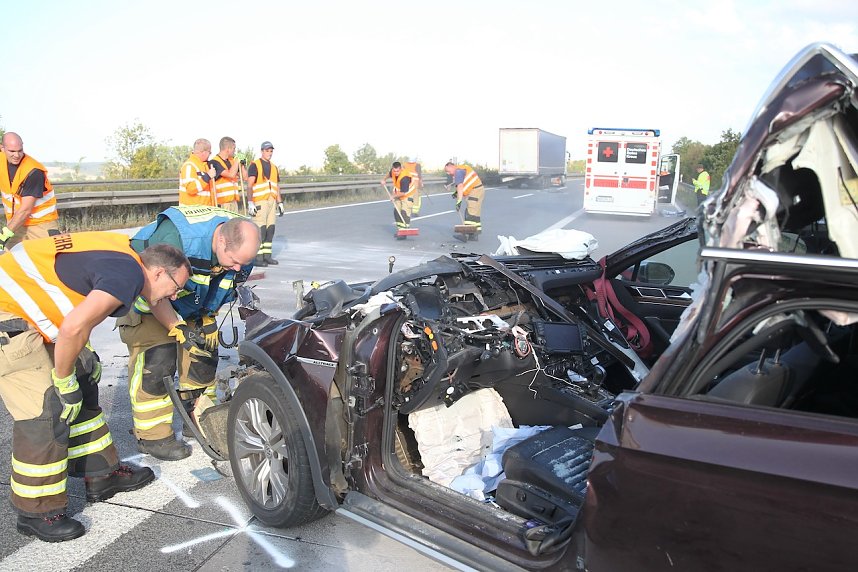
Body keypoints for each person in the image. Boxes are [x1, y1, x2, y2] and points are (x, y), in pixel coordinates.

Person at [0, 232, 190, 542]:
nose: (173, 296)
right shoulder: (126, 275)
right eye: (175, 288)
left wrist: (79, 363)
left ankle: (101, 475)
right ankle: (36, 511)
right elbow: (74, 326)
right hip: (8, 320)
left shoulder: (126, 256)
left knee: (84, 374)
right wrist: (63, 381)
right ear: (157, 272)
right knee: (47, 408)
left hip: (28, 310)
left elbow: (71, 297)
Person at [117, 206, 260, 461]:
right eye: (235, 261)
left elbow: (223, 283)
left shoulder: (240, 248)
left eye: (244, 263)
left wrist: (206, 315)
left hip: (189, 299)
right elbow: (153, 292)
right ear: (221, 240)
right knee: (157, 358)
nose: (239, 268)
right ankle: (152, 436)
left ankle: (196, 417)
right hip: (148, 298)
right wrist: (175, 326)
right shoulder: (177, 240)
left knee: (203, 349)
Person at [0, 132, 60, 251]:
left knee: (51, 261)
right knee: (10, 261)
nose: (17, 155)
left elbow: (25, 210)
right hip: (16, 224)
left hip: (41, 225)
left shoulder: (33, 171)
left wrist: (4, 235)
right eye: (12, 151)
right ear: (2, 148)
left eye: (20, 150)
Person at [246, 141, 284, 266]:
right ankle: (258, 258)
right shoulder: (255, 165)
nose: (269, 153)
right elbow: (250, 185)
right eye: (267, 151)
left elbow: (276, 186)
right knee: (260, 229)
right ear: (262, 151)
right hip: (259, 201)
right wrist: (250, 202)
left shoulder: (274, 167)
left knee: (270, 229)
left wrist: (280, 202)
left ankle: (267, 256)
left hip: (271, 201)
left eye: (271, 151)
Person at [444, 162, 485, 234]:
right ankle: (475, 232)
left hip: (475, 191)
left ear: (451, 166)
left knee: (470, 213)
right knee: (475, 214)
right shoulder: (461, 169)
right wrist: (456, 193)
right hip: (478, 190)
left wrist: (459, 202)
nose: (448, 173)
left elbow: (460, 186)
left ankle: (466, 234)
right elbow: (464, 184)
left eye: (448, 171)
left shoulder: (458, 172)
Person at [380, 161, 420, 237]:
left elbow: (403, 192)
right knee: (397, 211)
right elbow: (389, 174)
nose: (396, 173)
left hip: (407, 194)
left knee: (404, 212)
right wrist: (384, 179)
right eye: (394, 171)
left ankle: (405, 231)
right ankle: (400, 230)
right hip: (398, 193)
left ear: (401, 169)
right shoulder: (393, 172)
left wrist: (393, 196)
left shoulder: (405, 177)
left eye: (397, 171)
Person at [210, 136, 246, 213]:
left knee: (234, 224)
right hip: (222, 203)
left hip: (233, 202)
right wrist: (237, 160)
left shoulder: (232, 161)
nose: (234, 151)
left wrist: (242, 164)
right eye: (234, 148)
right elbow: (231, 174)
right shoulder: (214, 162)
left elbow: (245, 177)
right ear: (228, 149)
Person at [179, 138, 217, 206]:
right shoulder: (189, 165)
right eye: (210, 152)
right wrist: (207, 177)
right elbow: (191, 188)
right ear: (204, 153)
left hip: (204, 211)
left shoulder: (204, 166)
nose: (209, 155)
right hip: (192, 212)